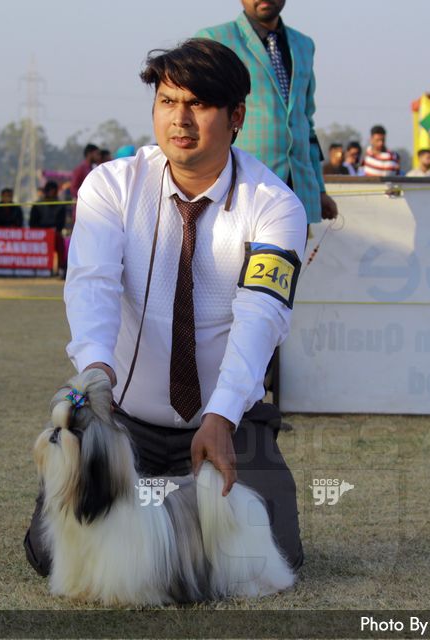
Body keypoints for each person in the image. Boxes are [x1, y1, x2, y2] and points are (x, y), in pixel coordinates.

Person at [24, 38, 306, 577]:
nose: (180, 119)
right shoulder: (111, 186)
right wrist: (95, 373)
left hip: (227, 420)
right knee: (50, 554)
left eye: (198, 104)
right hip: (124, 420)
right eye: (167, 101)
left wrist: (222, 415)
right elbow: (92, 283)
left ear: (236, 116)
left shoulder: (276, 207)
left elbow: (262, 315)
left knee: (267, 556)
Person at [197, 0, 338, 223]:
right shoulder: (216, 40)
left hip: (297, 190)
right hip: (241, 186)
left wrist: (319, 189)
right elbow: (201, 113)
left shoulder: (303, 45)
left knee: (291, 247)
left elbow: (305, 121)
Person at [29, 180, 69, 276]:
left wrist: (53, 230)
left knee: (59, 241)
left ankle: (61, 268)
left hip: (54, 233)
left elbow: (61, 224)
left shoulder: (60, 206)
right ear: (46, 191)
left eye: (54, 191)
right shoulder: (37, 205)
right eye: (50, 191)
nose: (52, 193)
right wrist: (43, 231)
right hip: (40, 233)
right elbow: (32, 223)